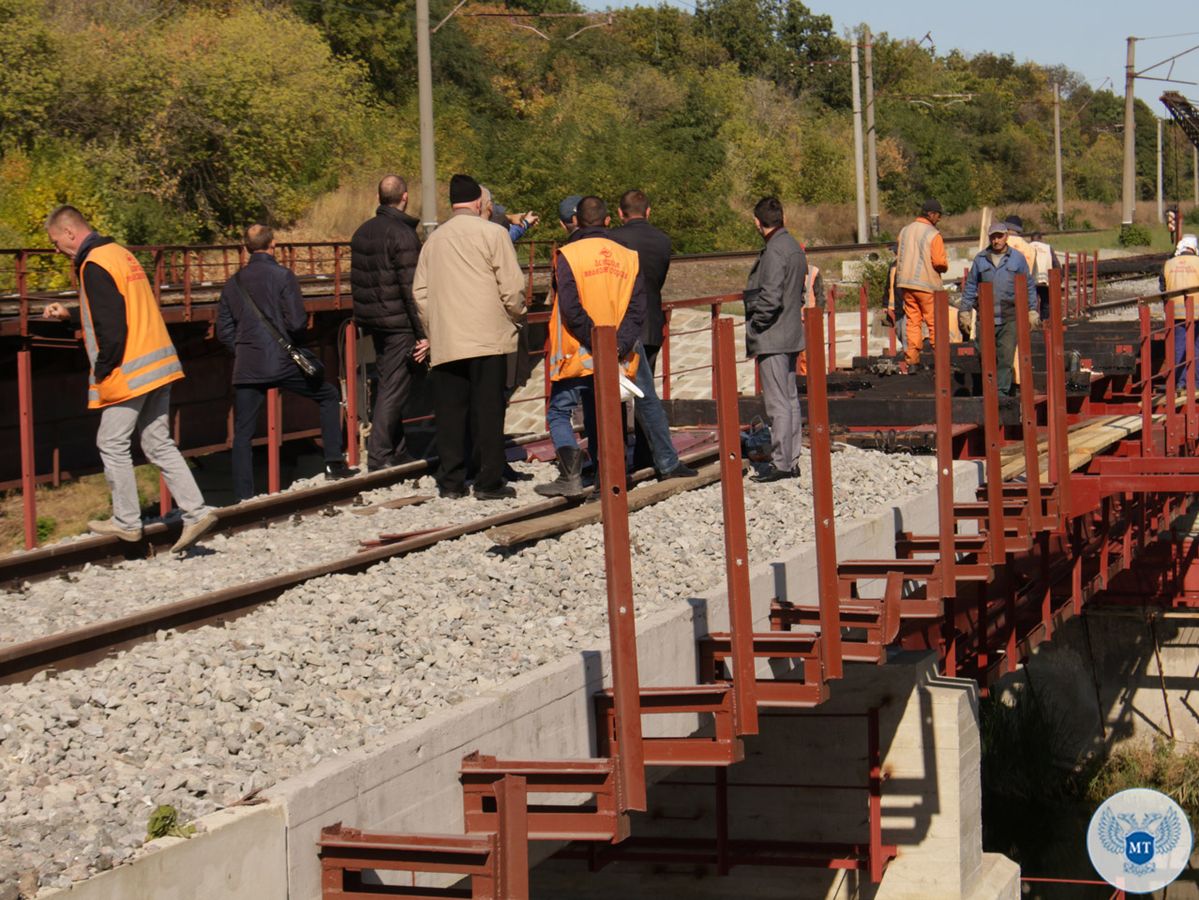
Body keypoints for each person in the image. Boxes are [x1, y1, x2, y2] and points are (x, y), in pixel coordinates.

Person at [42, 205, 217, 552]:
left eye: (55, 241)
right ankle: (196, 512)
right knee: (157, 442)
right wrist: (72, 315)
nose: (55, 249)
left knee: (111, 442)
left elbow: (112, 326)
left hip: (130, 369)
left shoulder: (92, 264)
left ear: (69, 234)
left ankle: (126, 521)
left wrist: (104, 369)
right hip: (158, 363)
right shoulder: (119, 254)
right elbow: (118, 306)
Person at [217, 225, 357, 501]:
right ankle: (333, 463)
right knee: (328, 396)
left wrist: (245, 349)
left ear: (246, 248)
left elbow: (224, 331)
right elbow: (296, 322)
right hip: (282, 362)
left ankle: (243, 495)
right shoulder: (283, 276)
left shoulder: (233, 284)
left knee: (242, 433)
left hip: (248, 366)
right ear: (273, 245)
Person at [413, 174, 527, 501]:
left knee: (450, 413)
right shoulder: (493, 233)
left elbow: (419, 293)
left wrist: (434, 330)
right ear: (479, 202)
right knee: (488, 409)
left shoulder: (433, 241)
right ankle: (488, 481)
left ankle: (451, 482)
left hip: (449, 339)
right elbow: (512, 285)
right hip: (487, 336)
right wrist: (515, 313)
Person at [534, 196, 647, 498]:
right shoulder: (628, 256)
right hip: (617, 356)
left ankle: (570, 476)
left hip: (576, 355)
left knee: (559, 413)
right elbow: (637, 309)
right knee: (605, 415)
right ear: (608, 221)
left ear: (576, 222)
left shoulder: (567, 255)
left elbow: (570, 308)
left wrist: (595, 341)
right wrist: (614, 345)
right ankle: (609, 479)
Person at [609, 189, 696, 480]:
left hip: (624, 327)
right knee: (647, 392)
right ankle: (647, 455)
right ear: (648, 211)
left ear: (620, 213)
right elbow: (656, 281)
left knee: (623, 394)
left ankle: (626, 458)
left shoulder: (614, 240)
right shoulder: (663, 240)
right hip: (652, 324)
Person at [349, 175, 428, 471]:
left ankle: (399, 449)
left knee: (388, 381)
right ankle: (380, 455)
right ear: (405, 197)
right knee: (394, 387)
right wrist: (422, 332)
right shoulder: (403, 235)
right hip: (399, 324)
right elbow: (411, 289)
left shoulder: (362, 232)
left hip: (374, 320)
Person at [743, 197, 806, 482]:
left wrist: (756, 324)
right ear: (782, 217)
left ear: (758, 222)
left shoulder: (774, 251)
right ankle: (791, 459)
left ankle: (781, 463)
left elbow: (770, 296)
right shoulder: (793, 246)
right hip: (791, 331)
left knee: (777, 402)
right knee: (790, 399)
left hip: (773, 335)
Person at [959, 221, 1038, 395]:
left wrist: (1032, 310)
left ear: (1006, 236)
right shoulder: (980, 259)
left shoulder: (1017, 258)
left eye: (999, 236)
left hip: (1009, 317)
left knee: (1005, 357)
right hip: (985, 317)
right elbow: (971, 286)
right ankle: (988, 390)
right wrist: (964, 311)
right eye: (993, 237)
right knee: (984, 355)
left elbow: (1029, 286)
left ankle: (1001, 394)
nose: (996, 241)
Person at [894, 199, 949, 366]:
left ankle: (912, 360)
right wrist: (945, 266)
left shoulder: (904, 231)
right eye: (938, 215)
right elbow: (940, 262)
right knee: (935, 322)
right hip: (926, 286)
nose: (939, 219)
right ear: (931, 214)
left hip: (905, 284)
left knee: (913, 321)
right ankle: (940, 360)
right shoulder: (933, 234)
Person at [1159, 234, 1199, 392]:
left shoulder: (1168, 264)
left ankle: (1180, 383)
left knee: (1179, 347)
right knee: (1197, 348)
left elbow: (1163, 288)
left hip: (1175, 314)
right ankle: (1196, 383)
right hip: (1197, 313)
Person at [1028, 230, 1061, 320]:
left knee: (1031, 303)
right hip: (1045, 280)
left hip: (1030, 281)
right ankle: (1044, 321)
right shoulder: (1047, 248)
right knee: (1046, 301)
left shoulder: (1027, 246)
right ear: (1041, 239)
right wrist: (1058, 280)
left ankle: (1032, 322)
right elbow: (1056, 264)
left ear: (1031, 239)